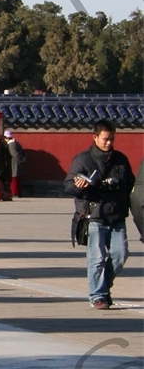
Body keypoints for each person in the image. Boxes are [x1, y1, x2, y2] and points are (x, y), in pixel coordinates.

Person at [69, 119, 134, 310]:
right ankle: (98, 296)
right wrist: (78, 186)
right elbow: (68, 186)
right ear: (95, 137)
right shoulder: (83, 160)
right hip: (94, 216)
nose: (109, 143)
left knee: (120, 255)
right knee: (96, 259)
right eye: (105, 139)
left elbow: (130, 184)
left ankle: (103, 286)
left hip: (117, 216)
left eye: (112, 139)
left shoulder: (120, 159)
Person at [3, 130, 23, 198]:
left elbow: (14, 154)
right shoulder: (16, 142)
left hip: (14, 163)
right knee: (17, 179)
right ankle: (19, 192)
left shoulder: (11, 144)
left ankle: (14, 193)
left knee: (13, 179)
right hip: (17, 163)